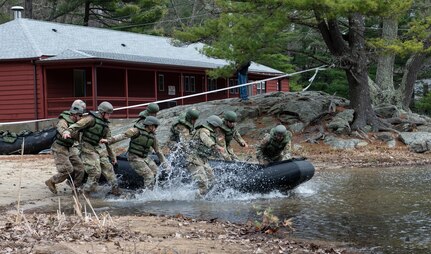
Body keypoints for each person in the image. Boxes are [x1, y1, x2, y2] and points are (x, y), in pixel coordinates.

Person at [67, 101, 121, 196]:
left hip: (97, 147)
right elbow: (77, 125)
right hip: (86, 146)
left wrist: (113, 157)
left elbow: (108, 142)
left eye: (110, 114)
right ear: (102, 112)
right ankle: (86, 191)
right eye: (108, 114)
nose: (109, 116)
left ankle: (115, 189)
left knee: (108, 168)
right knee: (95, 172)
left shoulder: (105, 126)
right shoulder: (90, 119)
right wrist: (67, 131)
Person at [103, 116, 167, 190]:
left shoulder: (152, 136)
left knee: (156, 172)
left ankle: (152, 189)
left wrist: (165, 163)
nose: (156, 128)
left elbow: (158, 150)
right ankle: (147, 194)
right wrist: (109, 140)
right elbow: (123, 136)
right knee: (149, 175)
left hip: (145, 157)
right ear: (150, 125)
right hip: (134, 157)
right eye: (155, 126)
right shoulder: (136, 131)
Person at [45, 105, 85, 194]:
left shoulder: (78, 124)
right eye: (80, 116)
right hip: (59, 147)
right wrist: (65, 133)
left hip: (70, 147)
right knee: (67, 170)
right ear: (75, 115)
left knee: (80, 168)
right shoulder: (63, 121)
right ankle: (51, 181)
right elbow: (61, 128)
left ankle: (75, 187)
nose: (81, 118)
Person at [186, 115, 227, 197]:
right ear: (214, 125)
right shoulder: (204, 130)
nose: (219, 129)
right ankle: (196, 202)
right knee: (203, 184)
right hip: (194, 160)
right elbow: (205, 140)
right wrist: (215, 146)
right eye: (218, 127)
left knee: (212, 181)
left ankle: (204, 198)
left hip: (203, 160)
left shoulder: (211, 133)